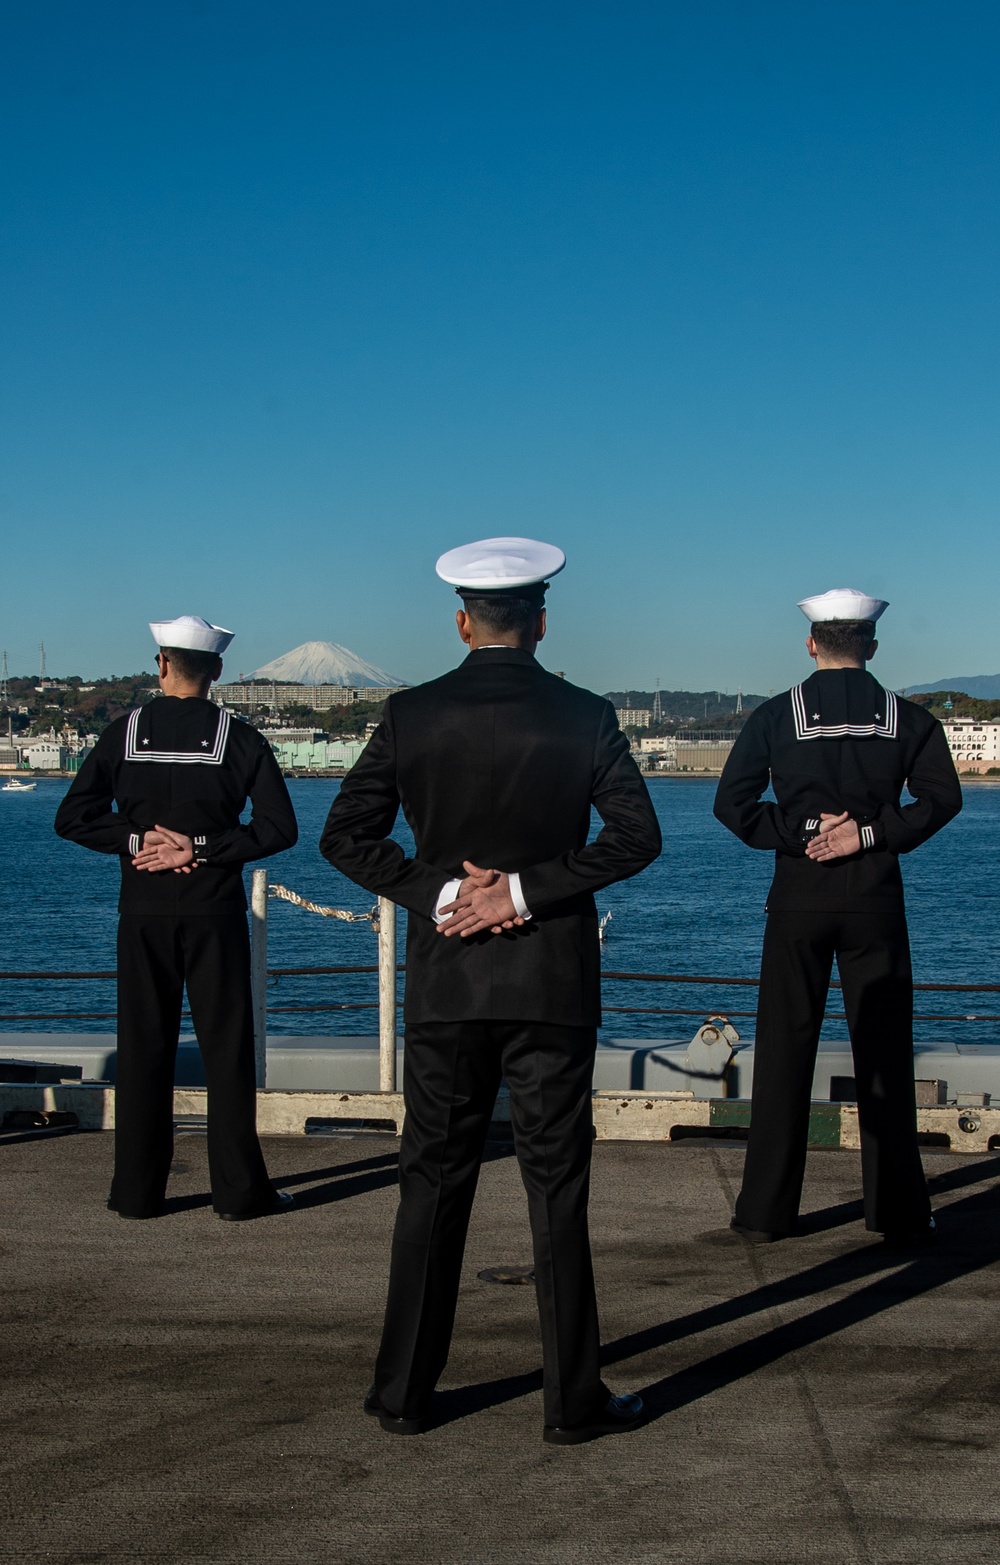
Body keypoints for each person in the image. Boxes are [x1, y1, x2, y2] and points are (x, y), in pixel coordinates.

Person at [320, 537, 661, 1444]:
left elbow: (345, 837)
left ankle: (402, 1392)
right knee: (557, 1188)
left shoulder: (410, 714)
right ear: (542, 621)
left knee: (430, 1182)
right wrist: (521, 891)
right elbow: (635, 838)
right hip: (550, 981)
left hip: (445, 982)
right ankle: (572, 1400)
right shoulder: (586, 716)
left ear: (463, 620)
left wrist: (445, 895)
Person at [714, 588, 962, 1245]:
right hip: (876, 901)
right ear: (872, 647)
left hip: (797, 901)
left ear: (811, 643)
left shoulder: (774, 717)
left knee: (783, 1056)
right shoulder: (909, 719)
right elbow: (943, 797)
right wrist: (870, 834)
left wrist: (800, 830)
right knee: (883, 1054)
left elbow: (731, 804)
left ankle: (766, 1212)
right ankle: (899, 1211)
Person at [55, 615, 298, 1221]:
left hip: (140, 910)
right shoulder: (241, 739)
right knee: (226, 1051)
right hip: (213, 910)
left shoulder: (121, 734)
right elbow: (278, 828)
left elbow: (74, 817)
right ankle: (240, 1194)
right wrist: (204, 849)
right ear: (216, 672)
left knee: (142, 1048)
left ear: (161, 664)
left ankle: (137, 1194)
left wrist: (138, 839)